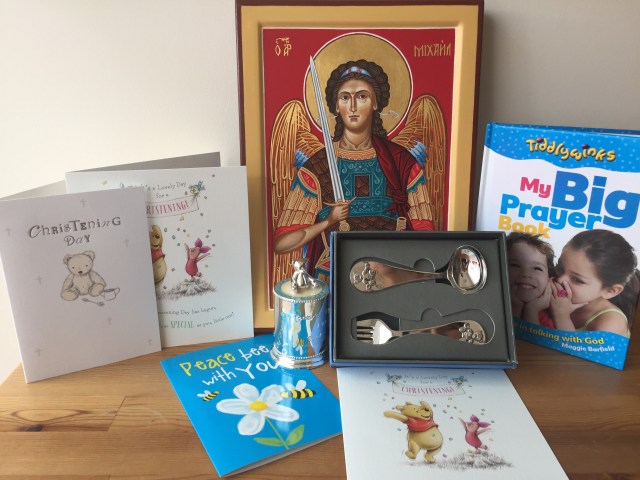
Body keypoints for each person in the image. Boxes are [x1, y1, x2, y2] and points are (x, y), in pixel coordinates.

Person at [273, 59, 435, 280]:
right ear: (336, 106)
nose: (352, 107)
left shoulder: (401, 163)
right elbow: (282, 243)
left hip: (391, 275)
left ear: (375, 103)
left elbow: (426, 235)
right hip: (335, 277)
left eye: (361, 96)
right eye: (344, 97)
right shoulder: (318, 167)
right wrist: (328, 221)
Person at [550, 229, 639, 337]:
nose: (560, 280)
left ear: (610, 291)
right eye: (560, 267)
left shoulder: (612, 322)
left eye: (577, 279)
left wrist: (561, 315)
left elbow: (571, 347)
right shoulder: (556, 297)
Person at [506, 232, 556, 328]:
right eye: (515, 265)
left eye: (537, 268)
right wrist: (514, 307)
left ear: (549, 279)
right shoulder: (490, 306)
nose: (526, 274)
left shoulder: (552, 316)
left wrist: (531, 311)